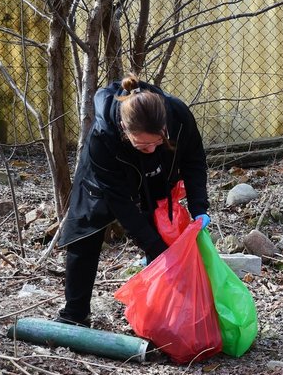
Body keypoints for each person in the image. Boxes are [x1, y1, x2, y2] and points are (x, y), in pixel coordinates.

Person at [56, 74, 211, 326]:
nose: (151, 149)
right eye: (142, 146)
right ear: (125, 132)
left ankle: (165, 318)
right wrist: (155, 248)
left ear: (164, 128)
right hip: (103, 184)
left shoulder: (178, 116)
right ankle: (75, 314)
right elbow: (122, 204)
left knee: (161, 234)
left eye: (157, 142)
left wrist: (199, 206)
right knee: (84, 238)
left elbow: (194, 160)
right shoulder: (102, 137)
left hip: (156, 177)